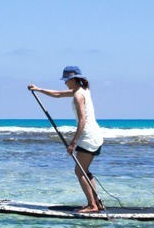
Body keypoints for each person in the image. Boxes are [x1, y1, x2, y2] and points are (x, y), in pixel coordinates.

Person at [28, 66, 105, 213]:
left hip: (88, 137)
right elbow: (57, 94)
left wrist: (73, 143)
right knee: (84, 170)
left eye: (66, 80)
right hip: (95, 135)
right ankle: (97, 203)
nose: (65, 83)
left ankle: (92, 205)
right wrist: (38, 89)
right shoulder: (82, 91)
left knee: (79, 171)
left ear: (73, 79)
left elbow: (82, 121)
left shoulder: (78, 96)